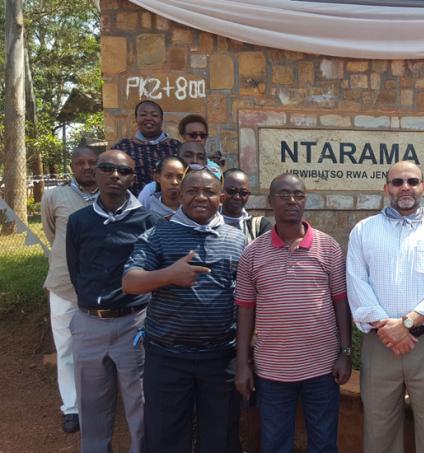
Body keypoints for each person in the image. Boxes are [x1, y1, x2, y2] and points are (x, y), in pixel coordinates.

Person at [122, 169, 246, 453]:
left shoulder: (236, 239)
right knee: (166, 437)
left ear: (221, 197)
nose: (200, 197)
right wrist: (169, 275)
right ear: (180, 195)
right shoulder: (157, 234)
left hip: (220, 358)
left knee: (221, 437)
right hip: (168, 357)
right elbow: (129, 282)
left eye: (209, 192)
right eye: (192, 191)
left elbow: (246, 297)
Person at [347, 161, 424, 453]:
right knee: (379, 431)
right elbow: (357, 285)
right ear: (386, 189)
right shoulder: (364, 231)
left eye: (412, 181)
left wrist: (406, 324)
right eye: (397, 182)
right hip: (379, 344)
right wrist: (388, 329)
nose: (405, 187)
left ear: (423, 187)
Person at [235, 173, 351, 452]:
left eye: (298, 194)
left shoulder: (328, 247)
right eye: (284, 194)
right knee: (275, 443)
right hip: (272, 371)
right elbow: (245, 311)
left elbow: (340, 302)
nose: (291, 200)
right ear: (270, 201)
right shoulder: (253, 253)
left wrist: (345, 353)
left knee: (323, 442)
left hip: (322, 368)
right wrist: (242, 364)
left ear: (305, 200)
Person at [66, 150, 160, 453]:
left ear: (132, 178)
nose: (115, 175)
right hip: (88, 324)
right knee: (90, 403)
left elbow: (153, 272)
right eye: (107, 168)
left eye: (123, 171)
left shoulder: (149, 220)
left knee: (140, 402)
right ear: (96, 173)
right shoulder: (79, 221)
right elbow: (75, 269)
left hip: (134, 323)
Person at [41, 146, 98, 433]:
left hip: (101, 288)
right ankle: (72, 407)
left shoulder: (113, 195)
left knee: (101, 349)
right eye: (80, 162)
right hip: (63, 284)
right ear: (72, 166)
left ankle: (101, 401)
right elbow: (52, 233)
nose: (87, 167)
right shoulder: (54, 196)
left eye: (92, 162)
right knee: (65, 348)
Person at [112, 100, 181, 195]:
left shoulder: (176, 147)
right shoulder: (122, 148)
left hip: (169, 206)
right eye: (143, 115)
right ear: (136, 119)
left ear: (161, 120)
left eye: (154, 115)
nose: (149, 118)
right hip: (133, 205)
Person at [137, 141, 209, 206]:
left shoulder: (210, 186)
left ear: (206, 162)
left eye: (200, 157)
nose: (194, 161)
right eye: (188, 156)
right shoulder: (151, 190)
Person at [221, 168, 272, 243]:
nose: (237, 197)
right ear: (220, 191)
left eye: (243, 193)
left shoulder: (260, 226)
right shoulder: (207, 223)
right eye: (231, 191)